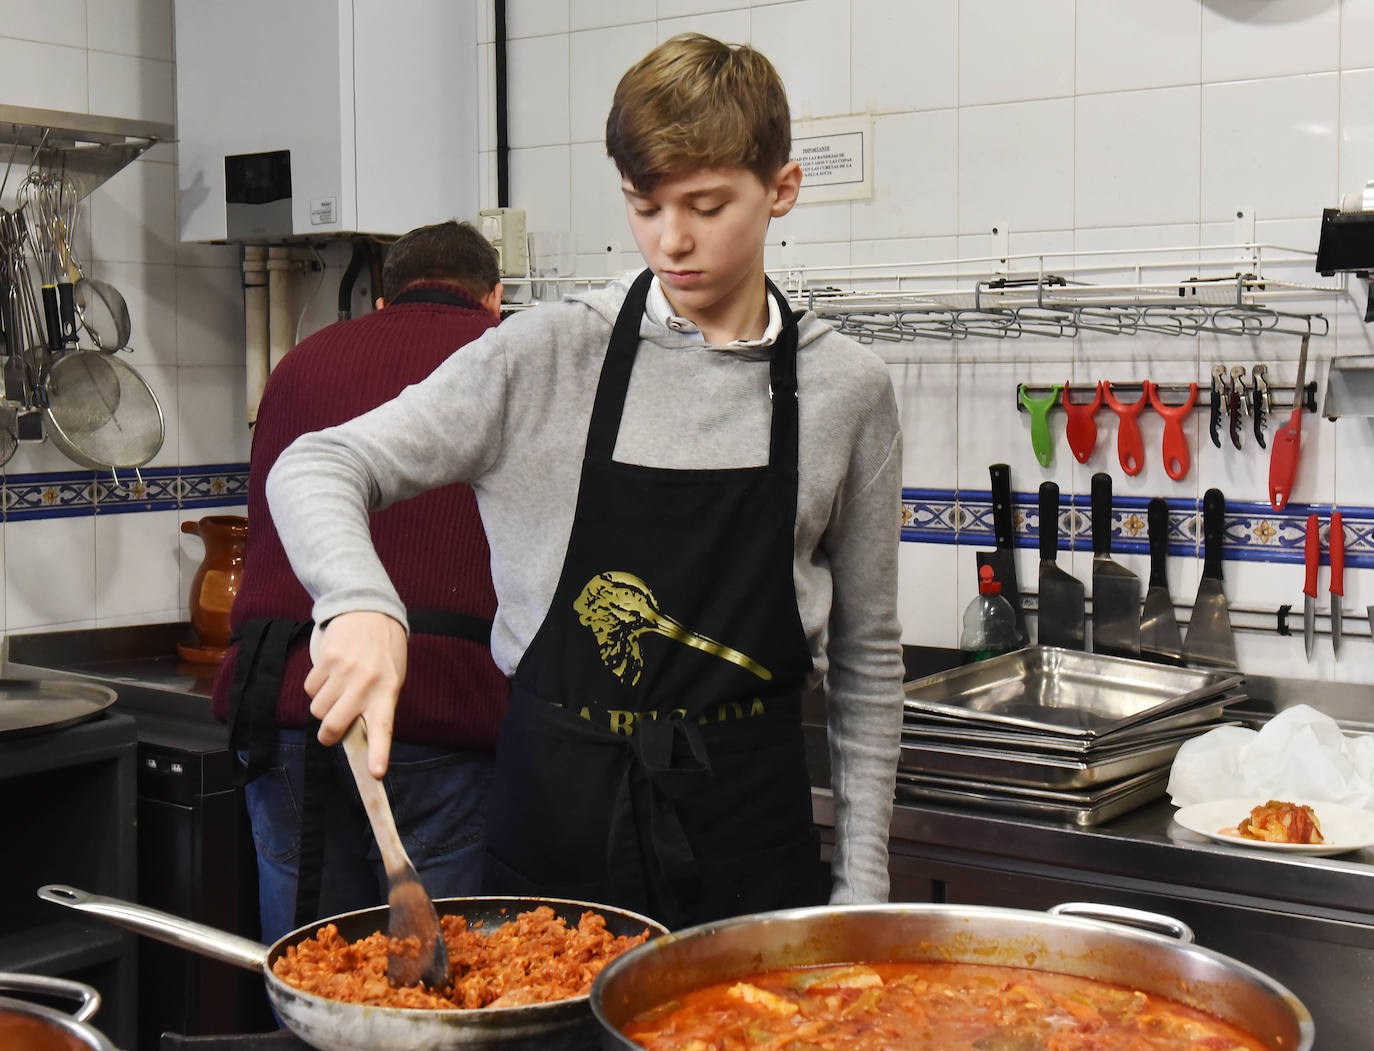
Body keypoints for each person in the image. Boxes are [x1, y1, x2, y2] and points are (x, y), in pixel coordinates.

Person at [267, 33, 905, 930]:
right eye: (645, 207)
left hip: (750, 845)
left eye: (707, 205)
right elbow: (319, 462)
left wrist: (864, 891)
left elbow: (869, 657)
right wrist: (360, 599)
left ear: (782, 189)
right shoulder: (548, 357)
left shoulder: (848, 391)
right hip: (555, 843)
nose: (671, 240)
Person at [211, 220, 510, 944]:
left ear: (380, 299)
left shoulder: (301, 362)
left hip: (288, 696)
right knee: (444, 977)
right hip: (439, 704)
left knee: (312, 964)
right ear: (494, 299)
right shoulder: (500, 361)